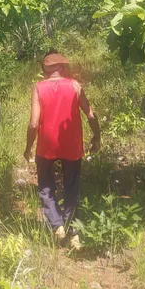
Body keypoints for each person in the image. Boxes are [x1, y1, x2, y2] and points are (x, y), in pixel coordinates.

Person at [23, 50, 100, 250]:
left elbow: (33, 123)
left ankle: (57, 226)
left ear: (45, 70)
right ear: (62, 68)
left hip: (46, 145)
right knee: (71, 186)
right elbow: (90, 114)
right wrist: (96, 136)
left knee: (46, 186)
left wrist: (28, 148)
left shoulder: (38, 88)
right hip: (72, 144)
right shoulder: (75, 86)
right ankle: (72, 231)